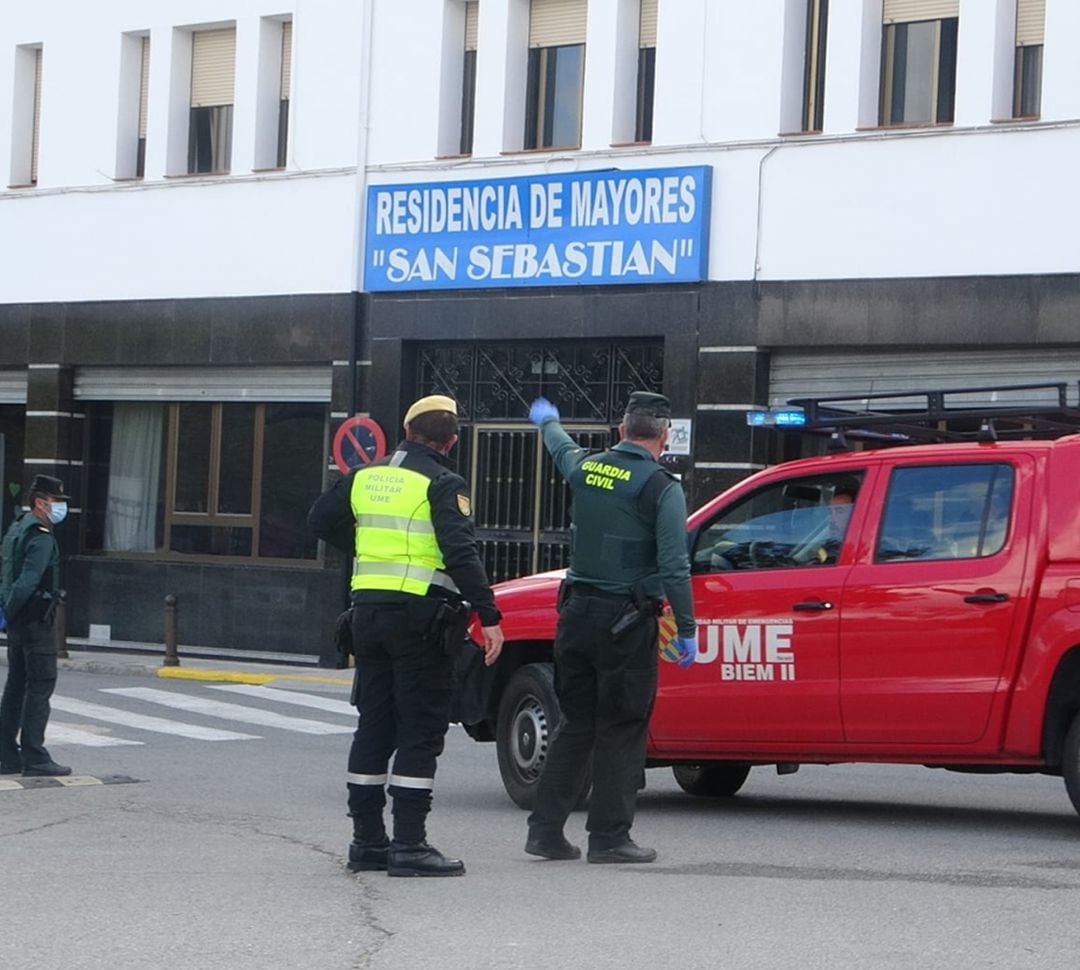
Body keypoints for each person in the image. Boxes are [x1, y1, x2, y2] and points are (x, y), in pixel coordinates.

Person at [308, 395, 504, 877]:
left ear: (405, 430)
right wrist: (489, 613)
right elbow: (461, 552)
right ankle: (411, 846)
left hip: (367, 616)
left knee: (375, 725)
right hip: (421, 620)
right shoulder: (442, 481)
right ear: (451, 441)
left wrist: (367, 554)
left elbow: (318, 519)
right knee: (420, 729)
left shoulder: (362, 477)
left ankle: (367, 842)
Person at [524, 391, 697, 865]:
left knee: (575, 723)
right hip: (626, 622)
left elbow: (561, 447)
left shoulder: (587, 468)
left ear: (621, 431)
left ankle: (544, 832)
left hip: (575, 615)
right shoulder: (661, 486)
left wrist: (549, 421)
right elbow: (675, 566)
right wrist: (686, 627)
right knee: (622, 727)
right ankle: (609, 837)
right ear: (663, 436)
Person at [0, 475, 71, 777]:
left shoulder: (17, 528)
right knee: (40, 687)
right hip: (35, 622)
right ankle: (35, 756)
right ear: (41, 502)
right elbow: (28, 580)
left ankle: (6, 755)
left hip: (17, 623)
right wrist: (13, 611)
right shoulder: (41, 536)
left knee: (16, 687)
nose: (60, 508)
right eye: (56, 502)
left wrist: (7, 614)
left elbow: (7, 574)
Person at [814, 482, 858, 565]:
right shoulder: (828, 547)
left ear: (854, 514)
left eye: (839, 511)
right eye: (830, 512)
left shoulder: (875, 546)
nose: (832, 518)